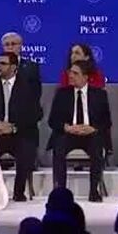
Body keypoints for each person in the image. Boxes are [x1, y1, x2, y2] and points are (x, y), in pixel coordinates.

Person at [0, 52, 43, 202]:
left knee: (26, 148)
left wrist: (14, 127)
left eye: (3, 64)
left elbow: (35, 114)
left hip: (19, 133)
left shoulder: (28, 87)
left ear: (14, 67)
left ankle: (19, 192)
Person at [47, 60, 111, 202]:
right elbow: (53, 120)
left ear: (85, 77)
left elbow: (107, 122)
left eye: (75, 73)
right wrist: (67, 127)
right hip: (68, 134)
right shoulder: (62, 94)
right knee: (59, 147)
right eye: (70, 72)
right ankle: (61, 192)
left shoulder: (99, 94)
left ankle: (94, 191)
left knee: (97, 147)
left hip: (90, 135)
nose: (71, 75)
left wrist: (93, 128)